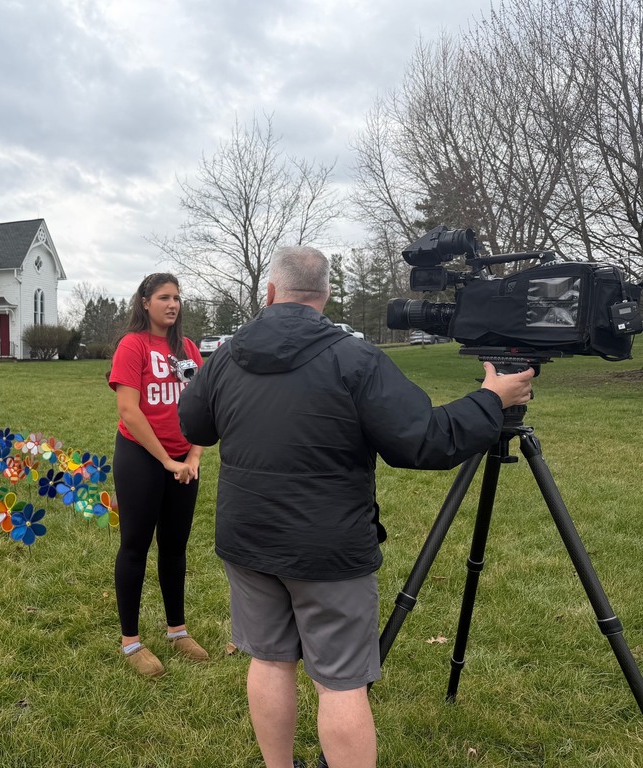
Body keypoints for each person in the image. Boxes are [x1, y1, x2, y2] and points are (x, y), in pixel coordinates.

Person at [178, 246, 534, 768]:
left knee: (270, 661)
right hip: (329, 548)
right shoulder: (355, 358)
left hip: (248, 537)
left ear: (270, 293)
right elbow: (424, 440)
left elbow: (193, 425)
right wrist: (491, 398)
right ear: (323, 296)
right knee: (340, 683)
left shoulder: (228, 355)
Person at [108, 272, 209, 677]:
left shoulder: (186, 348)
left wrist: (194, 456)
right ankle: (130, 642)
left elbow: (204, 406)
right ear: (145, 302)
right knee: (135, 545)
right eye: (164, 297)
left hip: (185, 462)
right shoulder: (131, 346)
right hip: (141, 458)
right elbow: (129, 411)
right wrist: (167, 461)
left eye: (177, 298)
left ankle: (176, 630)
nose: (172, 304)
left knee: (175, 546)